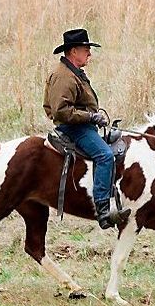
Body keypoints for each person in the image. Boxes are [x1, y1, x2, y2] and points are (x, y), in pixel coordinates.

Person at [43, 28, 130, 229]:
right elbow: (61, 111)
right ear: (74, 51)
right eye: (85, 49)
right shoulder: (64, 76)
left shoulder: (73, 73)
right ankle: (103, 210)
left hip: (82, 125)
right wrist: (91, 116)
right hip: (74, 128)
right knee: (105, 155)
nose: (89, 54)